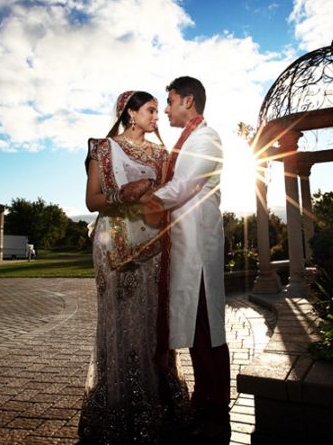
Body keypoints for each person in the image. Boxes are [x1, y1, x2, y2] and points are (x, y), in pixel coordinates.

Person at [79, 90, 189, 444]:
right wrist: (122, 195)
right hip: (114, 244)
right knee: (118, 320)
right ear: (129, 113)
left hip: (154, 244)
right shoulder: (103, 148)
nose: (157, 117)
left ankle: (154, 399)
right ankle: (118, 404)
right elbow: (92, 199)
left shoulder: (160, 153)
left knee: (150, 320)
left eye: (159, 110)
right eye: (150, 110)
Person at [141, 76, 231, 443]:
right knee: (196, 331)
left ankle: (215, 410)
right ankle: (203, 401)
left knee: (208, 332)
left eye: (171, 101)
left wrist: (138, 203)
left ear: (188, 101)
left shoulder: (206, 138)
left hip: (198, 246)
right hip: (186, 245)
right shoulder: (190, 139)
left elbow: (184, 187)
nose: (165, 109)